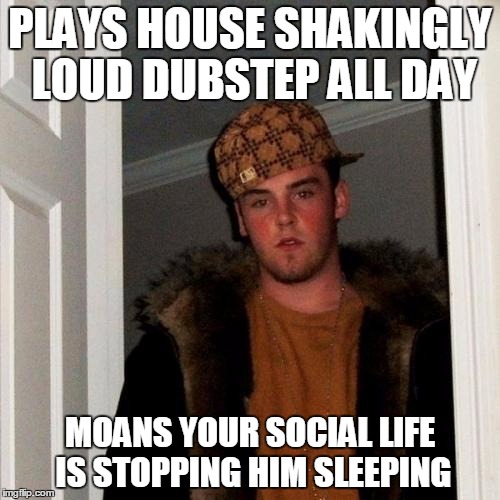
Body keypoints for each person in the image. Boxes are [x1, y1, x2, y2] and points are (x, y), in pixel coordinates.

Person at [105, 102, 455, 500]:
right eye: (261, 201)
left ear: (339, 199)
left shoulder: (429, 341)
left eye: (302, 193)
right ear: (241, 220)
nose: (283, 217)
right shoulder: (175, 351)